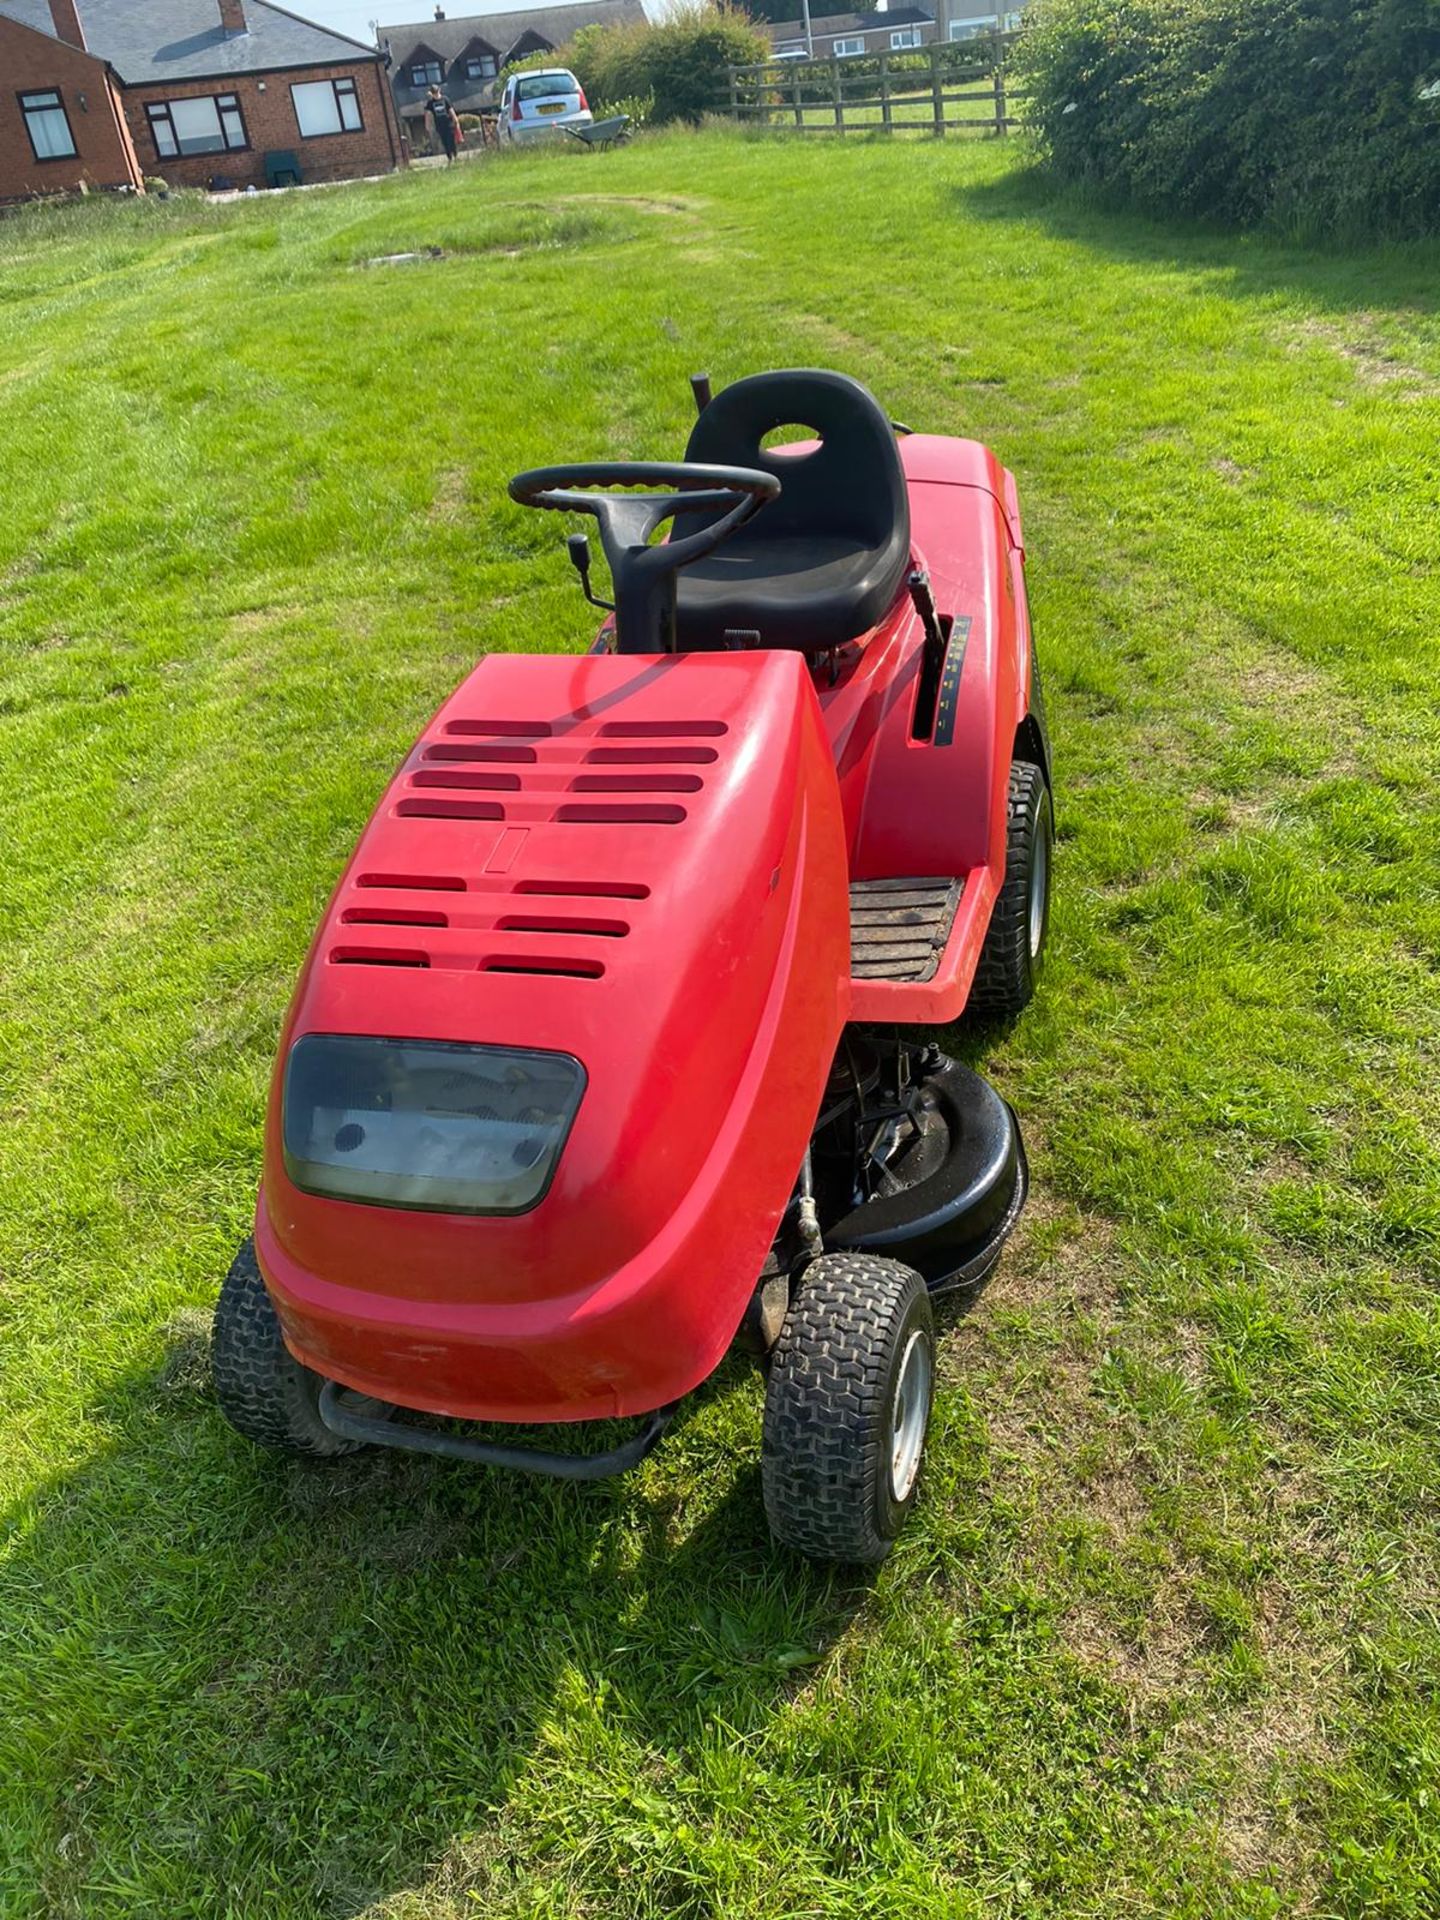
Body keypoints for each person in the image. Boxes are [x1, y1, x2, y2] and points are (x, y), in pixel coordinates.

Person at [425, 85, 462, 164]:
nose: (436, 94)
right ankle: (449, 157)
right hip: (439, 125)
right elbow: (427, 114)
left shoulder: (445, 99)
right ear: (432, 93)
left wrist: (455, 119)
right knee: (444, 141)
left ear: (439, 90)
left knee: (451, 140)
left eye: (437, 92)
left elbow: (451, 110)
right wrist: (427, 124)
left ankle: (455, 155)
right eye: (434, 93)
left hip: (448, 123)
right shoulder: (430, 103)